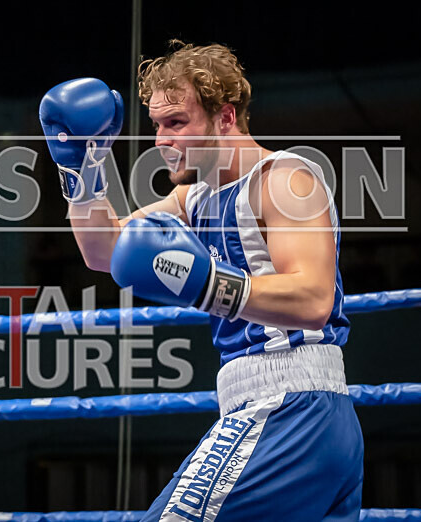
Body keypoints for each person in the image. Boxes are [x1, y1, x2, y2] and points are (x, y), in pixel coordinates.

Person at [40, 42, 363, 521]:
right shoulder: (195, 198)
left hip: (289, 405)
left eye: (177, 123)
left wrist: (209, 285)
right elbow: (103, 251)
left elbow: (313, 298)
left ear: (225, 118)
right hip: (283, 414)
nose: (161, 140)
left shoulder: (285, 178)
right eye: (156, 125)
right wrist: (81, 171)